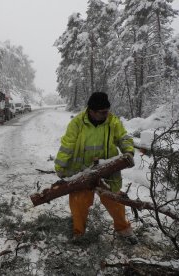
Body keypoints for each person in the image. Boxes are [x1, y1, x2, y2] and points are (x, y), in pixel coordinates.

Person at [54, 92, 137, 244]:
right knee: (79, 204)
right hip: (82, 172)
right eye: (103, 112)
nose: (107, 114)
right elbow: (67, 146)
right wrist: (60, 166)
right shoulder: (77, 123)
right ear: (91, 110)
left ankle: (124, 230)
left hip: (108, 172)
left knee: (115, 202)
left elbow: (123, 137)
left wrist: (129, 151)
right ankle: (79, 234)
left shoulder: (113, 121)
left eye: (107, 110)